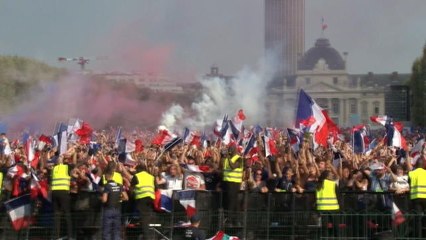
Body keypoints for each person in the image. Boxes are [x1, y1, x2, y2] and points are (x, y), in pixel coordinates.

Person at [51, 154, 74, 240]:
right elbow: (74, 164)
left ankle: (56, 236)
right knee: (67, 214)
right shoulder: (66, 167)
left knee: (57, 215)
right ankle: (70, 236)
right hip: (63, 193)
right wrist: (72, 153)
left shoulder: (54, 169)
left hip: (54, 193)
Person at [101, 170, 128, 240]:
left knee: (107, 231)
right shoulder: (119, 185)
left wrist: (100, 198)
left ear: (106, 176)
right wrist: (119, 199)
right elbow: (126, 197)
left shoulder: (107, 186)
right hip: (117, 210)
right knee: (116, 231)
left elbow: (104, 200)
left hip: (108, 210)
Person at [131, 163, 155, 239]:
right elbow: (156, 188)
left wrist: (132, 196)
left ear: (138, 169)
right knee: (147, 218)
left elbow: (131, 189)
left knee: (144, 219)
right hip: (150, 198)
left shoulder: (137, 176)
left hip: (141, 198)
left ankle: (146, 237)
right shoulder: (151, 176)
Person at [221, 144, 243, 226]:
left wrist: (228, 157)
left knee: (232, 201)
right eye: (229, 148)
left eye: (231, 148)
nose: (229, 149)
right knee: (229, 201)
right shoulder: (227, 158)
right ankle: (232, 220)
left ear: (235, 149)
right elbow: (223, 168)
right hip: (227, 183)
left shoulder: (239, 158)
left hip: (234, 183)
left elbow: (233, 166)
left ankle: (231, 220)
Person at [316, 170, 340, 237]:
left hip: (322, 208)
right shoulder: (333, 184)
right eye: (331, 174)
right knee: (336, 227)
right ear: (327, 176)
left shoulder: (318, 184)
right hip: (333, 208)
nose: (332, 175)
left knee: (324, 227)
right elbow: (338, 196)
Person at [408, 158, 426, 237]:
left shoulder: (412, 173)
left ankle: (418, 237)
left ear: (416, 164)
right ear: (424, 165)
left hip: (416, 198)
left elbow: (409, 184)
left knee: (418, 219)